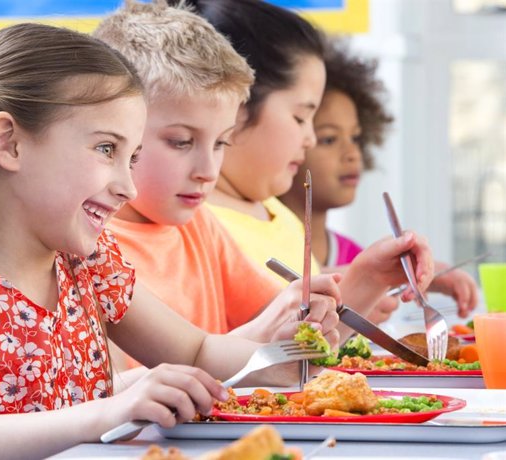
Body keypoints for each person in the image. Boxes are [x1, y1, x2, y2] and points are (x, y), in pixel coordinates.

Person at [0, 23, 335, 460]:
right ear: (9, 142)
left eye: (133, 155)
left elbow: (200, 352)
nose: (129, 185)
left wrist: (294, 356)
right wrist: (110, 410)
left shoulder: (88, 269)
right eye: (106, 149)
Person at [94, 0, 430, 362]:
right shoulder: (86, 245)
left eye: (221, 142)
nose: (208, 169)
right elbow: (114, 392)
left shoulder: (199, 226)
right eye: (181, 142)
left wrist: (370, 277)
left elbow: (292, 344)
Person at [178, 0, 434, 328]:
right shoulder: (194, 221)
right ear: (235, 106)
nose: (309, 138)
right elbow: (261, 352)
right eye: (300, 117)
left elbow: (310, 349)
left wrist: (371, 278)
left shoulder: (276, 212)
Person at [279, 39, 479, 318]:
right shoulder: (265, 243)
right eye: (329, 139)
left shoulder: (352, 253)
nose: (352, 153)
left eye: (356, 138)